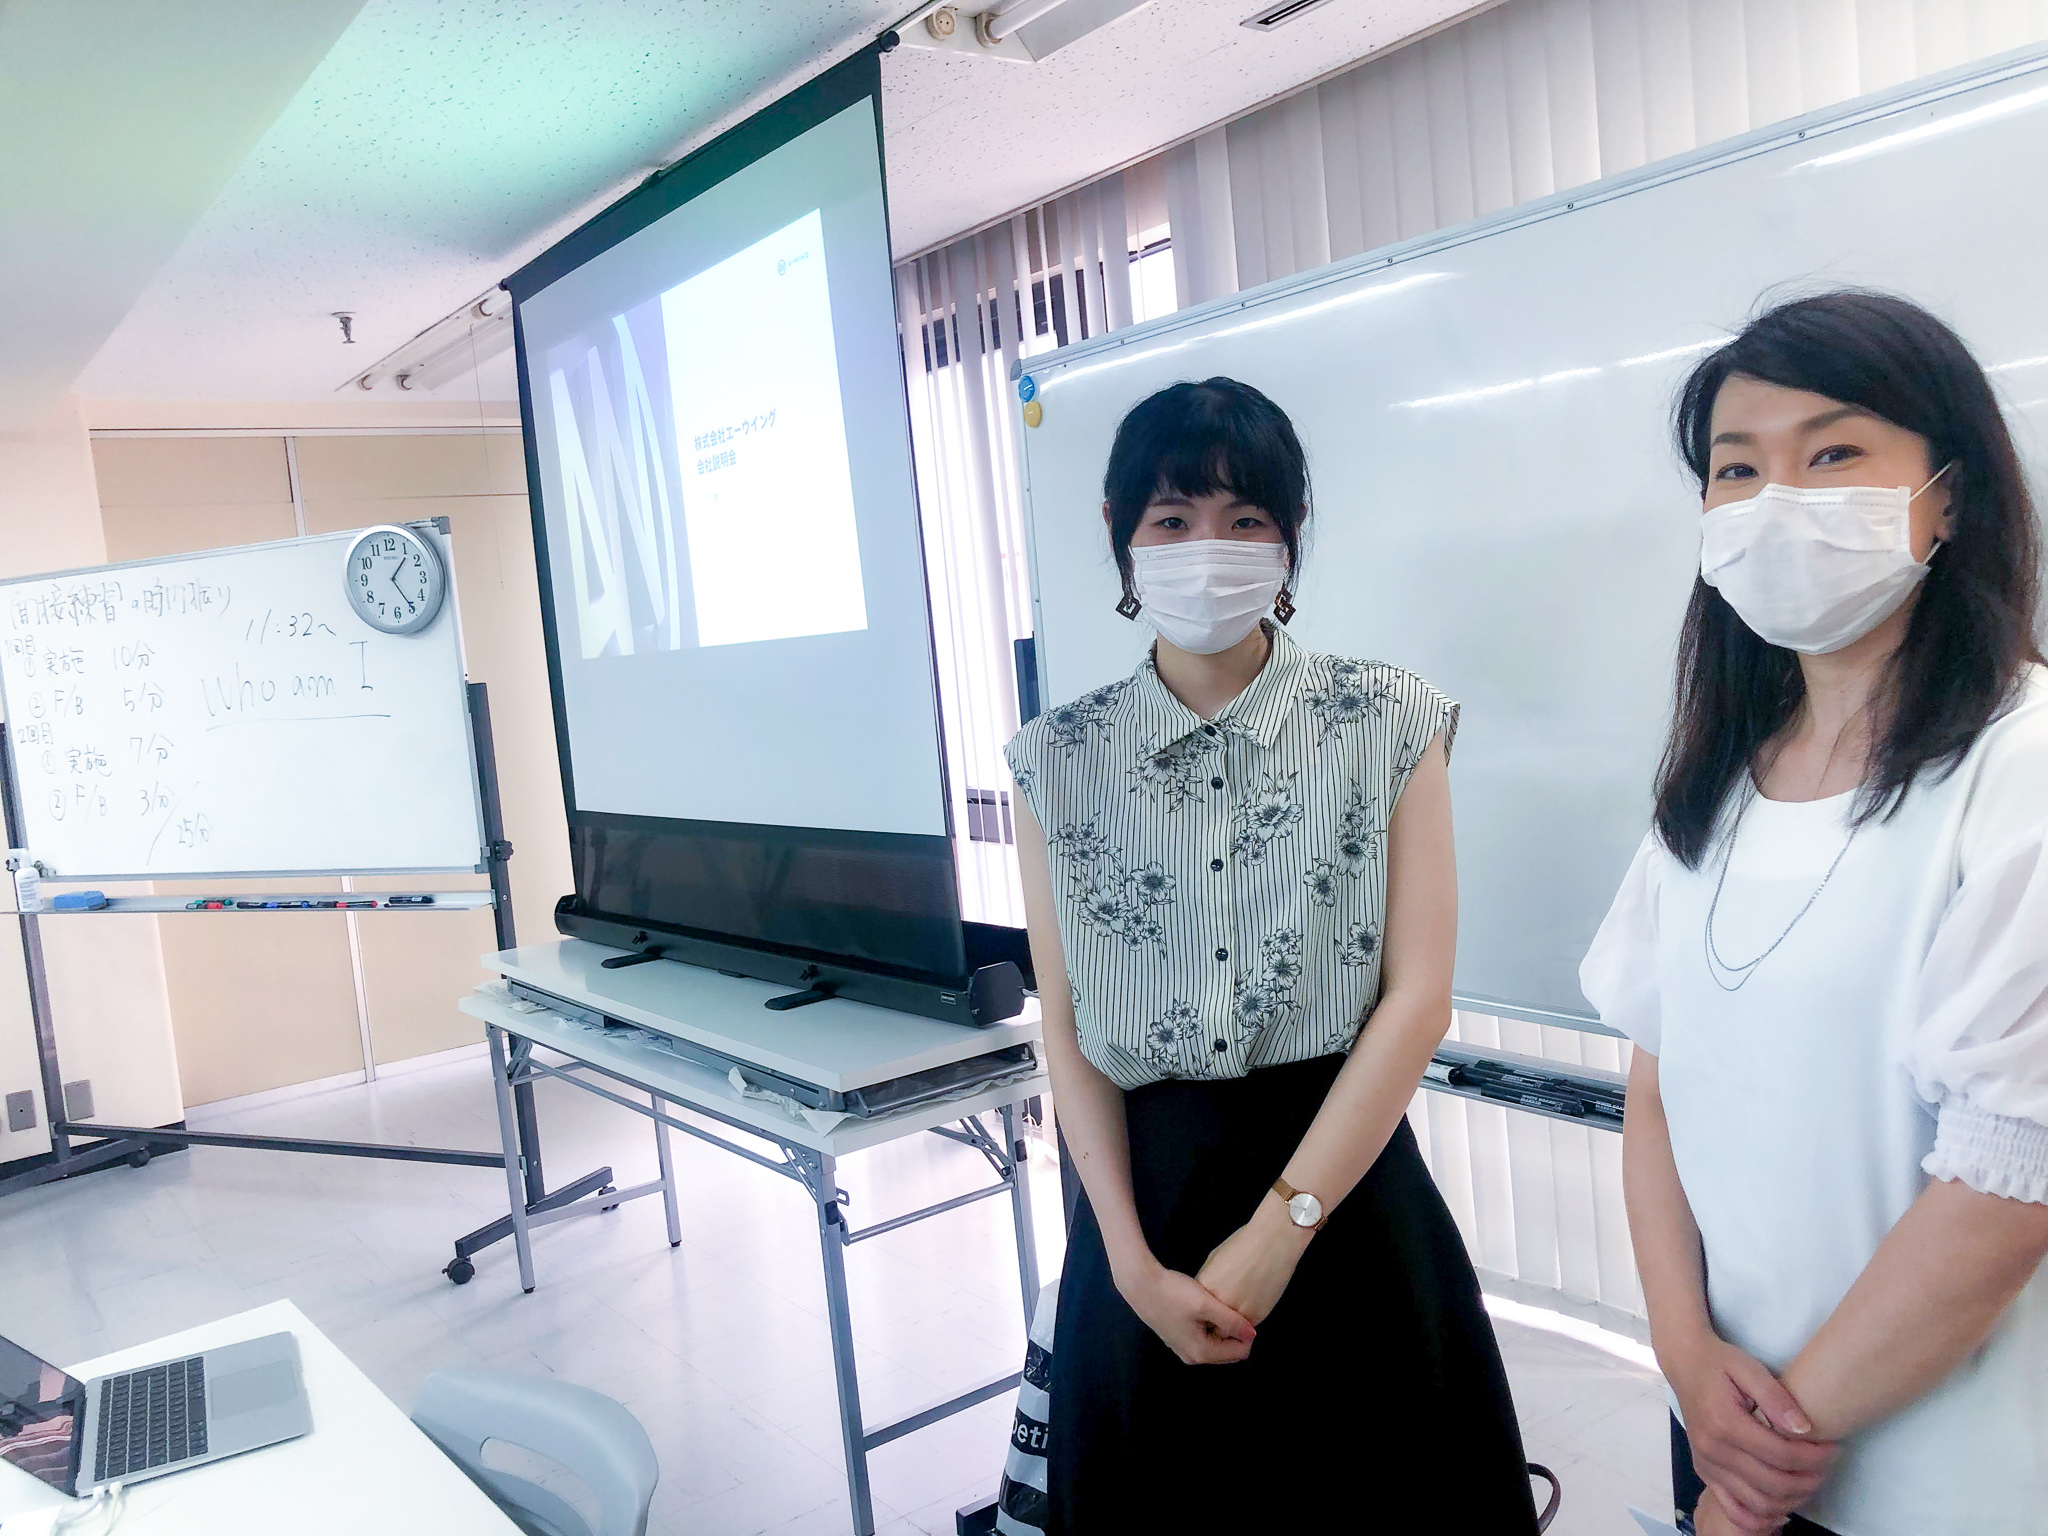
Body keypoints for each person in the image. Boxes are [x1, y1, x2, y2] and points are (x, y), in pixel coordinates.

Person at [1005, 377, 1537, 1532]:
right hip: (1141, 1213)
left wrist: (1282, 1225)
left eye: (1244, 518)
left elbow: (1416, 999)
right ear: (1119, 535)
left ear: (1290, 537)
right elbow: (1068, 1023)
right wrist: (1125, 1263)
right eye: (1171, 518)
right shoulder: (1054, 759)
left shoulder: (1387, 719)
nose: (1208, 547)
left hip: (1343, 1194)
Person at [1581, 291, 2048, 1536]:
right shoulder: (1713, 781)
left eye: (1832, 453)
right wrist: (1683, 1357)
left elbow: (2009, 1184)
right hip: (1724, 1418)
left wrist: (1758, 1467)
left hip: (1945, 1474)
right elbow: (1656, 1084)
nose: (1776, 500)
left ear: (1947, 495)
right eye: (1736, 469)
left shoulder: (2022, 763)